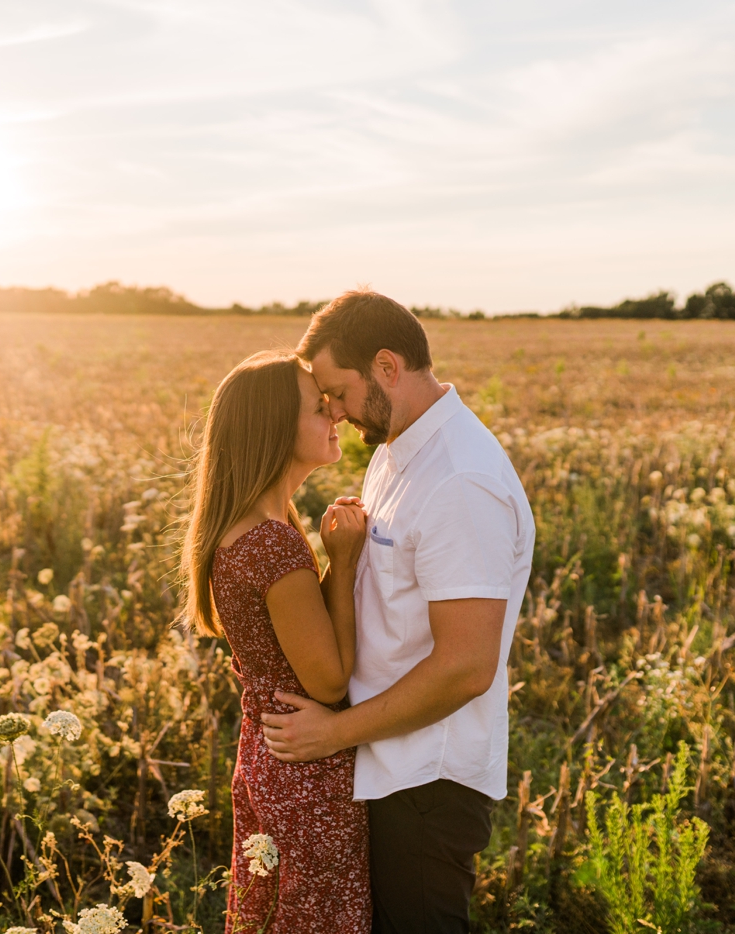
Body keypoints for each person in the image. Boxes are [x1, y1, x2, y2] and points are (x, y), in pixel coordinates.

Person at [261, 291, 536, 934]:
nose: (332, 410)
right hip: (386, 762)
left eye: (337, 391)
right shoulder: (395, 450)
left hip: (426, 783)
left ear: (386, 366)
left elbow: (468, 666)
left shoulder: (459, 480)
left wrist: (333, 732)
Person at [179, 350, 371, 934]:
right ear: (274, 429)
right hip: (309, 771)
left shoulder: (246, 525)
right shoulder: (272, 544)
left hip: (267, 756)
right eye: (319, 407)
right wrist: (341, 560)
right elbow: (329, 679)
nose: (335, 414)